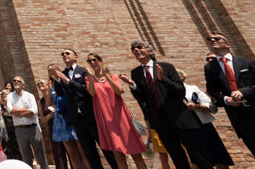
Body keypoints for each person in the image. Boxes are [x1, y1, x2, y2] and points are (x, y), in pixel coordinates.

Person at [119, 40, 211, 169]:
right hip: (160, 121)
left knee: (198, 155)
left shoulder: (166, 67)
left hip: (180, 118)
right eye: (133, 49)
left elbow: (180, 90)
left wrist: (164, 79)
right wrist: (132, 85)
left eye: (139, 47)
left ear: (149, 51)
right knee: (177, 156)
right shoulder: (136, 73)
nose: (136, 50)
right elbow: (142, 98)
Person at [53, 48, 118, 169]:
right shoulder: (63, 74)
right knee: (89, 152)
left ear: (75, 57)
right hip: (77, 119)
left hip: (91, 115)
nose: (64, 55)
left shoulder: (83, 71)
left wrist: (67, 80)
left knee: (106, 148)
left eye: (67, 53)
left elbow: (86, 90)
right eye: (63, 54)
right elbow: (60, 93)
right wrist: (57, 80)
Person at [84, 53, 146, 169]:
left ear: (100, 61)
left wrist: (106, 76)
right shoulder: (88, 79)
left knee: (136, 154)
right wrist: (90, 76)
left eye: (94, 60)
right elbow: (92, 93)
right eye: (89, 61)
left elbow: (119, 91)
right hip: (107, 120)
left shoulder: (113, 76)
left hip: (121, 118)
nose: (92, 63)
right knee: (119, 156)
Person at [203, 31, 255, 158]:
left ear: (228, 44)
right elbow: (212, 91)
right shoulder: (210, 68)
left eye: (217, 38)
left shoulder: (246, 63)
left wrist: (243, 92)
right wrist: (226, 100)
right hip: (239, 116)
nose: (213, 40)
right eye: (210, 39)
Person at [177, 69, 232, 169]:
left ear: (181, 76)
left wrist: (197, 106)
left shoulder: (192, 88)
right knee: (196, 159)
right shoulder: (167, 93)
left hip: (203, 125)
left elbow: (211, 106)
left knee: (218, 155)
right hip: (186, 128)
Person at [46, 64, 87, 169]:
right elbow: (50, 102)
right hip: (60, 119)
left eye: (53, 69)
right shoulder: (52, 86)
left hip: (70, 115)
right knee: (71, 152)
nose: (51, 72)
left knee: (82, 150)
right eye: (49, 70)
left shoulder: (65, 80)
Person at [6, 76, 48, 169]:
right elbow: (10, 110)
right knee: (26, 156)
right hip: (20, 129)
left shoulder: (30, 96)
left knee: (41, 154)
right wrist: (26, 111)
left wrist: (18, 112)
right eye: (14, 81)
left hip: (33, 128)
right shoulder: (10, 96)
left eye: (18, 81)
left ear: (23, 85)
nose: (16, 82)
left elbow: (34, 111)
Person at [37, 78, 67, 169]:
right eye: (38, 84)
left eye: (41, 83)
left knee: (71, 151)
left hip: (63, 126)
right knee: (58, 154)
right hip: (53, 129)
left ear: (47, 84)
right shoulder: (40, 102)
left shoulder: (54, 96)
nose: (39, 85)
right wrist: (50, 116)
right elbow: (42, 119)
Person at [0, 89, 22, 160]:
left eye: (5, 93)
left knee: (18, 147)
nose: (3, 95)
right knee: (9, 150)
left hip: (15, 128)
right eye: (2, 94)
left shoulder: (13, 105)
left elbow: (19, 115)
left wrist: (9, 112)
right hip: (6, 131)